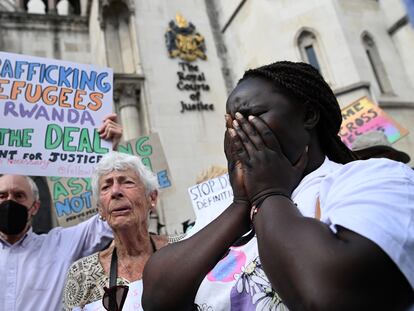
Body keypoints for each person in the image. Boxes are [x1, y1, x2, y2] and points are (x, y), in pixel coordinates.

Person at [142, 61, 414, 310]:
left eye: (252, 115)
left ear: (308, 115)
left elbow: (328, 295)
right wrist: (240, 207)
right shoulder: (225, 210)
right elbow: (157, 298)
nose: (238, 132)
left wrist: (269, 193)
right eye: (230, 123)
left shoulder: (376, 178)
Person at [0, 113, 122, 311]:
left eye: (19, 195)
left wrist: (111, 153)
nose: (9, 201)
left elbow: (111, 219)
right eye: (2, 196)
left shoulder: (60, 245)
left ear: (35, 206)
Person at [63, 152, 169, 310]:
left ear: (151, 198)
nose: (115, 192)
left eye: (127, 182)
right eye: (106, 186)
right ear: (100, 209)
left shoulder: (182, 247)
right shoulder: (82, 274)